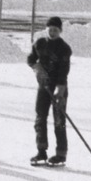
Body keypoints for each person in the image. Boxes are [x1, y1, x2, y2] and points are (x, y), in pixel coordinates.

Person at [26, 16, 72, 166]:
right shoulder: (39, 43)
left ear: (60, 31)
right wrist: (37, 68)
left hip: (59, 87)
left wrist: (60, 88)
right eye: (50, 29)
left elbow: (64, 70)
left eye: (56, 30)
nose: (52, 32)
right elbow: (31, 59)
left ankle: (61, 154)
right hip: (44, 86)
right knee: (40, 118)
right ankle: (41, 151)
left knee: (59, 120)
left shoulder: (64, 48)